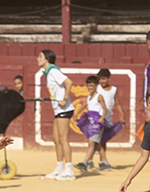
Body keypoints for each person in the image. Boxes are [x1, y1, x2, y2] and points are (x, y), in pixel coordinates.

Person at [37, 50, 76, 181]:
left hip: (64, 109)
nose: (38, 59)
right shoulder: (49, 73)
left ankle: (69, 170)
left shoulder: (53, 71)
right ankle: (59, 168)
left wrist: (65, 98)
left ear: (47, 59)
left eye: (40, 56)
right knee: (56, 138)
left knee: (63, 139)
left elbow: (69, 82)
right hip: (58, 110)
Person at [74, 76, 106, 172]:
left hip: (98, 123)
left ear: (96, 86)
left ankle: (85, 163)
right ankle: (105, 162)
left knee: (91, 143)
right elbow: (84, 104)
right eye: (88, 86)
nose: (90, 87)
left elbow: (105, 109)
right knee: (96, 144)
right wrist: (77, 114)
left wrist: (102, 117)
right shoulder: (89, 97)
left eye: (91, 86)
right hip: (92, 122)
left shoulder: (99, 96)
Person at [96, 68, 124, 171]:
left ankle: (101, 162)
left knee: (102, 140)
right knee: (96, 140)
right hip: (97, 118)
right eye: (100, 79)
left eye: (104, 78)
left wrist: (122, 115)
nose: (102, 81)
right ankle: (102, 160)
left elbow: (118, 103)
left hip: (107, 118)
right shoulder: (97, 88)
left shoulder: (114, 90)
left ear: (109, 78)